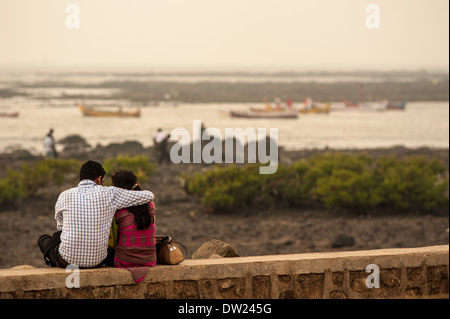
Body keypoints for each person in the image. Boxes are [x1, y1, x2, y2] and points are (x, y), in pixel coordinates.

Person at [37, 160, 154, 268]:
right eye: (102, 181)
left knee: (44, 239)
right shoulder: (109, 193)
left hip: (68, 261)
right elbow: (149, 195)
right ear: (99, 179)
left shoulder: (64, 195)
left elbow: (61, 228)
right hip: (98, 261)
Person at [109, 169, 157, 268]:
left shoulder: (118, 208)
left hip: (124, 260)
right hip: (150, 259)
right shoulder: (150, 204)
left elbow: (114, 237)